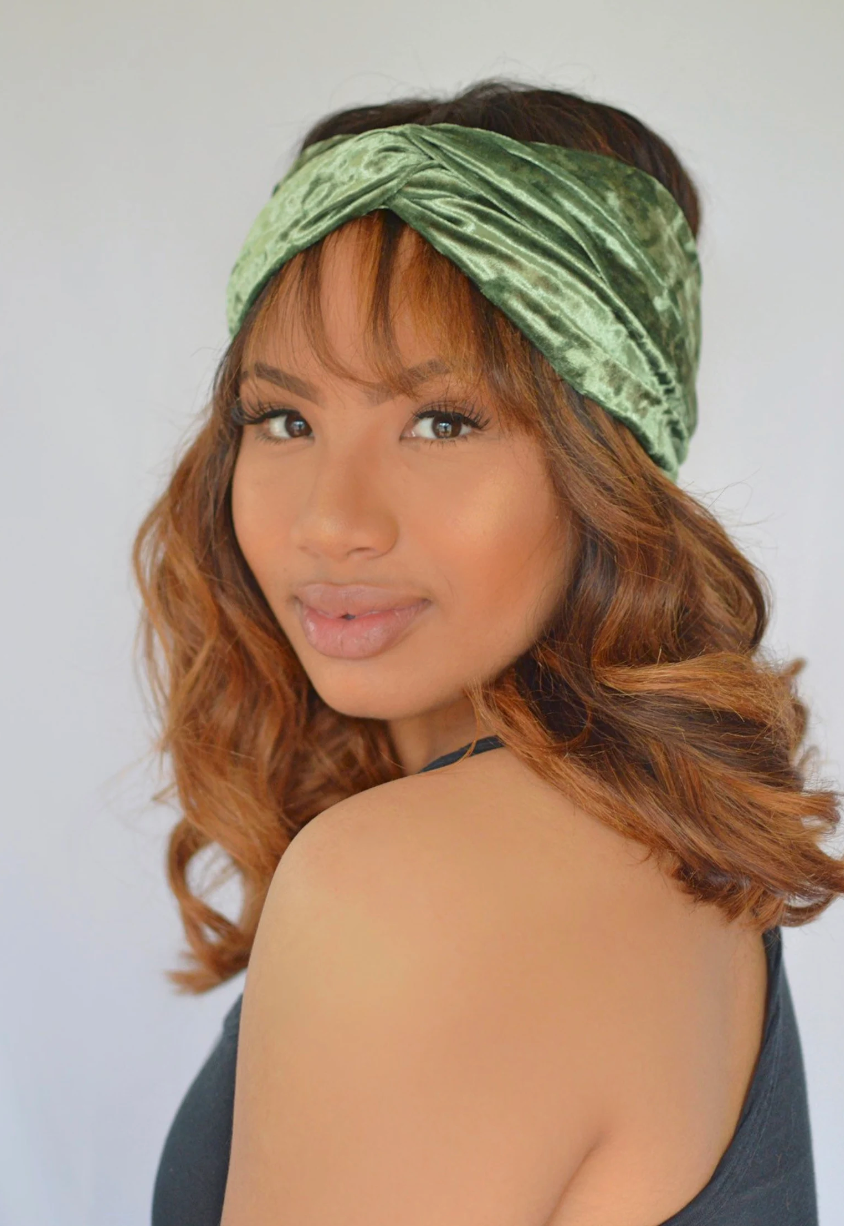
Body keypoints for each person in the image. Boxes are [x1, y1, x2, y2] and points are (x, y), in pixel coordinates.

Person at [140, 78, 839, 1226]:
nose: (332, 517)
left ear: (605, 466)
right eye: (283, 417)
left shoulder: (418, 886)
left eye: (442, 421)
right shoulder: (653, 833)